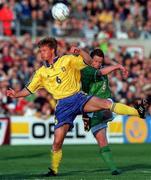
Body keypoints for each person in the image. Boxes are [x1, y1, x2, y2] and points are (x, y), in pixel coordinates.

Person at [6, 37, 146, 176]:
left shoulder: (67, 60)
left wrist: (80, 51)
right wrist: (16, 94)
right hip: (62, 106)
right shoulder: (41, 72)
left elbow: (89, 61)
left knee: (106, 104)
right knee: (57, 142)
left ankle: (138, 112)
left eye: (44, 50)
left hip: (77, 97)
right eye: (40, 51)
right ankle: (54, 170)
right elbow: (29, 89)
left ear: (52, 50)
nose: (41, 54)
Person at [81, 48, 128, 175]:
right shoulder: (86, 71)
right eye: (95, 61)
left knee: (108, 108)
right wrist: (118, 66)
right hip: (92, 106)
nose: (97, 64)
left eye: (100, 62)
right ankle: (113, 169)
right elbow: (101, 72)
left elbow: (103, 71)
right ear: (90, 61)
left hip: (105, 103)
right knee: (102, 141)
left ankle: (136, 111)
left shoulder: (101, 69)